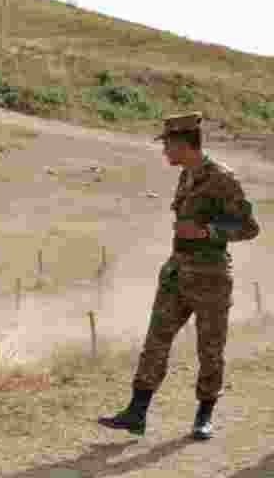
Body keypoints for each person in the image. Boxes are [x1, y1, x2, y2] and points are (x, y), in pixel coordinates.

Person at [99, 112, 260, 440]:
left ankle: (204, 416)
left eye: (167, 146)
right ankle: (136, 412)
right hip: (176, 272)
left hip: (210, 277)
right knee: (155, 342)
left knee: (209, 349)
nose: (164, 153)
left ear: (183, 144)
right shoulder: (186, 175)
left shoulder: (222, 178)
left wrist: (206, 231)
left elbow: (248, 227)